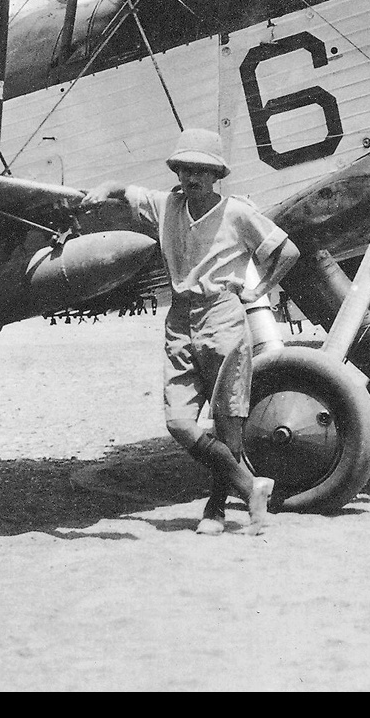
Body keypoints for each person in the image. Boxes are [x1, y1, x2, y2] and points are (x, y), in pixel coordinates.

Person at [82, 128, 299, 536]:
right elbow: (127, 191)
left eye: (201, 170)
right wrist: (105, 189)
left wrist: (259, 290)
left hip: (223, 318)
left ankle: (217, 510)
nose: (192, 178)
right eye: (185, 169)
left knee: (228, 421)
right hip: (179, 321)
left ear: (216, 175)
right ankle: (252, 487)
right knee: (179, 422)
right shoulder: (166, 206)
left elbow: (286, 251)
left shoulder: (237, 212)